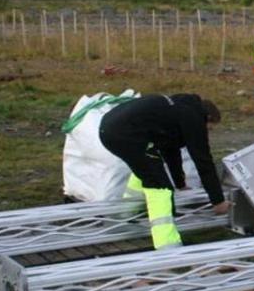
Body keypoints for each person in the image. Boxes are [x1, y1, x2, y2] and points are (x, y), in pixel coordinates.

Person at [99, 94, 230, 249]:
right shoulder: (193, 117)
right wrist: (218, 201)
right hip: (125, 134)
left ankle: (124, 215)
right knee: (160, 187)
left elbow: (171, 150)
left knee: (147, 168)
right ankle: (167, 246)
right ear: (207, 117)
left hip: (108, 129)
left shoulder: (177, 109)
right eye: (209, 128)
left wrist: (180, 184)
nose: (208, 132)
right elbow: (203, 161)